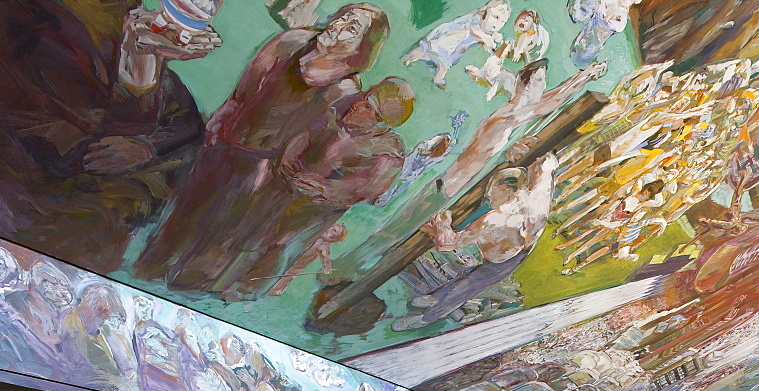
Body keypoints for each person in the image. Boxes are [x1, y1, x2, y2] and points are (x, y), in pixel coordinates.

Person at [135, 3, 390, 284]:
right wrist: (222, 121)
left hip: (268, 168)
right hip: (228, 141)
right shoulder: (291, 42)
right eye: (343, 18)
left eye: (352, 28)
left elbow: (309, 143)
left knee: (222, 232)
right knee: (186, 207)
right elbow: (245, 89)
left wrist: (268, 171)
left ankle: (188, 284)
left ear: (362, 49)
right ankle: (149, 268)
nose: (338, 26)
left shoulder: (344, 90)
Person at [0, 0, 208, 274]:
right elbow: (71, 155)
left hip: (93, 231)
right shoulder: (32, 30)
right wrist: (136, 89)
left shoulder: (117, 29)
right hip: (37, 228)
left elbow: (188, 123)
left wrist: (147, 144)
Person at [178, 77, 412, 300]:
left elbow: (368, 186)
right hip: (285, 182)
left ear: (382, 122)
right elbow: (306, 133)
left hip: (318, 208)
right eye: (365, 97)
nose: (358, 106)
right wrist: (289, 164)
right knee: (245, 225)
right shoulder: (341, 108)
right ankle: (204, 273)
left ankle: (245, 289)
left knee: (281, 246)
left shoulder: (388, 151)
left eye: (369, 108)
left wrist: (325, 188)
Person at [393, 152, 558, 331]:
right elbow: (548, 163)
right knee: (469, 274)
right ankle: (435, 297)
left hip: (504, 259)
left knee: (468, 286)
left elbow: (447, 244)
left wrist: (442, 225)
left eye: (492, 191)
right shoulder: (536, 197)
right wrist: (542, 158)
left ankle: (426, 318)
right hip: (519, 247)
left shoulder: (493, 220)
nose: (488, 196)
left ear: (508, 191)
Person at [442, 58, 606, 197]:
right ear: (523, 84)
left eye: (543, 81)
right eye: (538, 81)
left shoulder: (516, 109)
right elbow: (551, 104)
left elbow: (556, 93)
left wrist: (584, 75)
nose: (542, 87)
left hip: (458, 182)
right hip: (451, 186)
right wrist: (586, 77)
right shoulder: (507, 117)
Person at [402, 0, 510, 88]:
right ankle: (408, 58)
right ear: (485, 13)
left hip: (455, 49)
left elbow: (481, 40)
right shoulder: (476, 19)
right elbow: (473, 31)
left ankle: (438, 79)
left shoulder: (486, 30)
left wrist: (488, 43)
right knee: (426, 51)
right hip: (448, 40)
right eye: (495, 17)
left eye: (502, 22)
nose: (497, 23)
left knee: (444, 64)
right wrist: (485, 39)